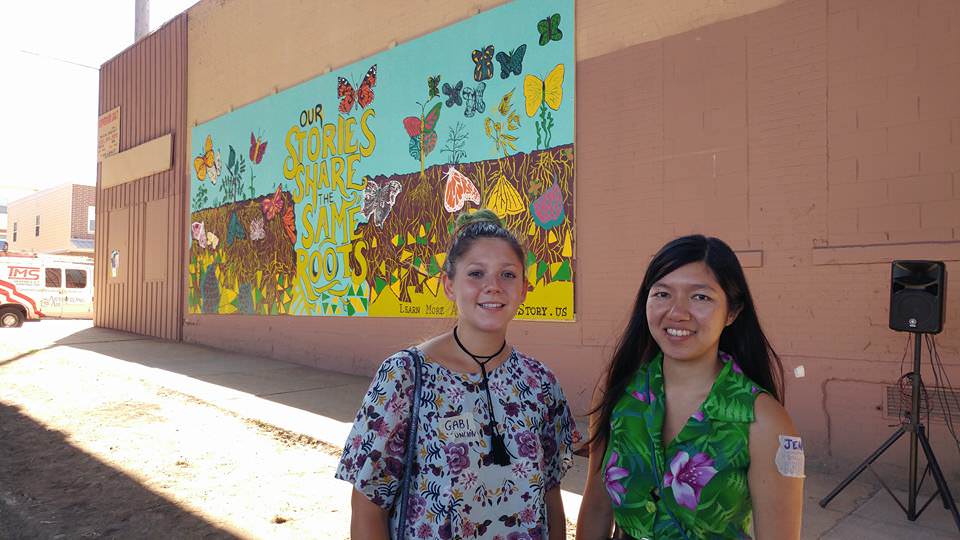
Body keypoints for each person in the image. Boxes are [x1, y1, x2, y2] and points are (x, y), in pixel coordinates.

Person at [337, 209, 579, 539]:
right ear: (449, 285)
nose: (493, 286)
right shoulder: (405, 377)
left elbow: (550, 496)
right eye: (476, 273)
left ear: (524, 289)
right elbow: (367, 505)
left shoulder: (539, 383)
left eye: (508, 275)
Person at [576, 235, 803, 539]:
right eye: (662, 294)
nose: (677, 312)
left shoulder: (766, 422)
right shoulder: (618, 392)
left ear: (732, 312)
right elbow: (596, 508)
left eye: (700, 297)